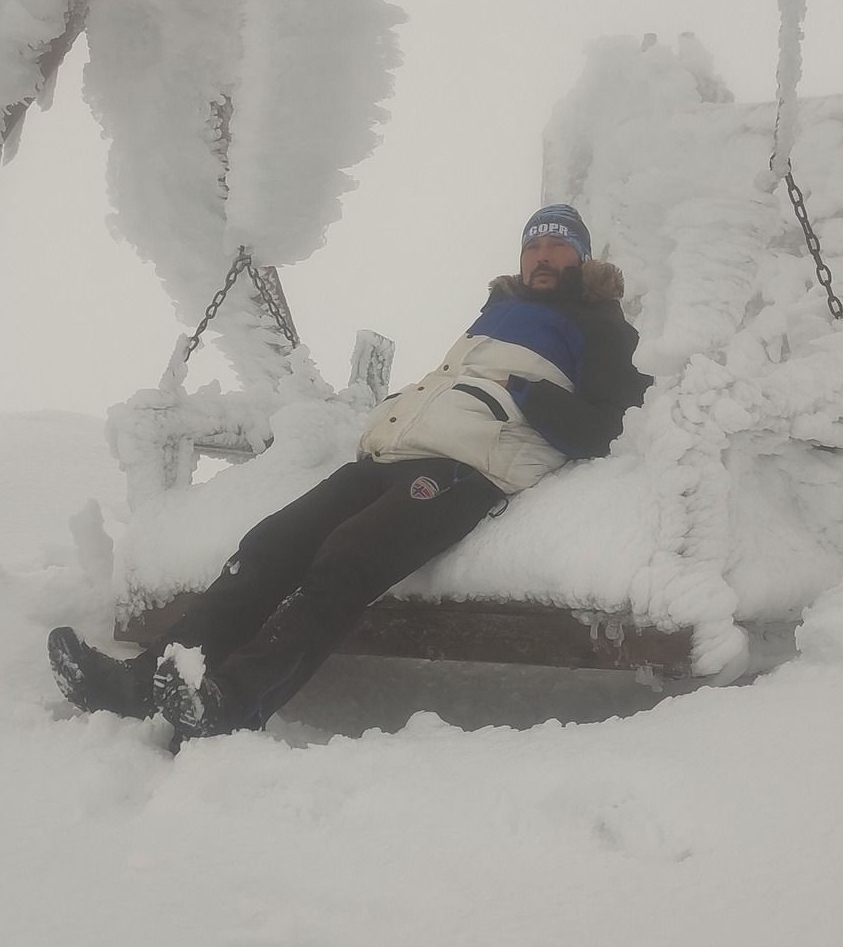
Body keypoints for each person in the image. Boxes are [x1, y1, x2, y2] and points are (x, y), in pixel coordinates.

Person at [48, 203, 653, 740]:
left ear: (582, 256)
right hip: (391, 452)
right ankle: (144, 681)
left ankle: (232, 701)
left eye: (557, 244)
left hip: (468, 467)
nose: (543, 255)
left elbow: (608, 426)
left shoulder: (602, 325)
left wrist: (526, 391)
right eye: (533, 245)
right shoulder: (498, 311)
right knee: (268, 546)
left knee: (345, 561)